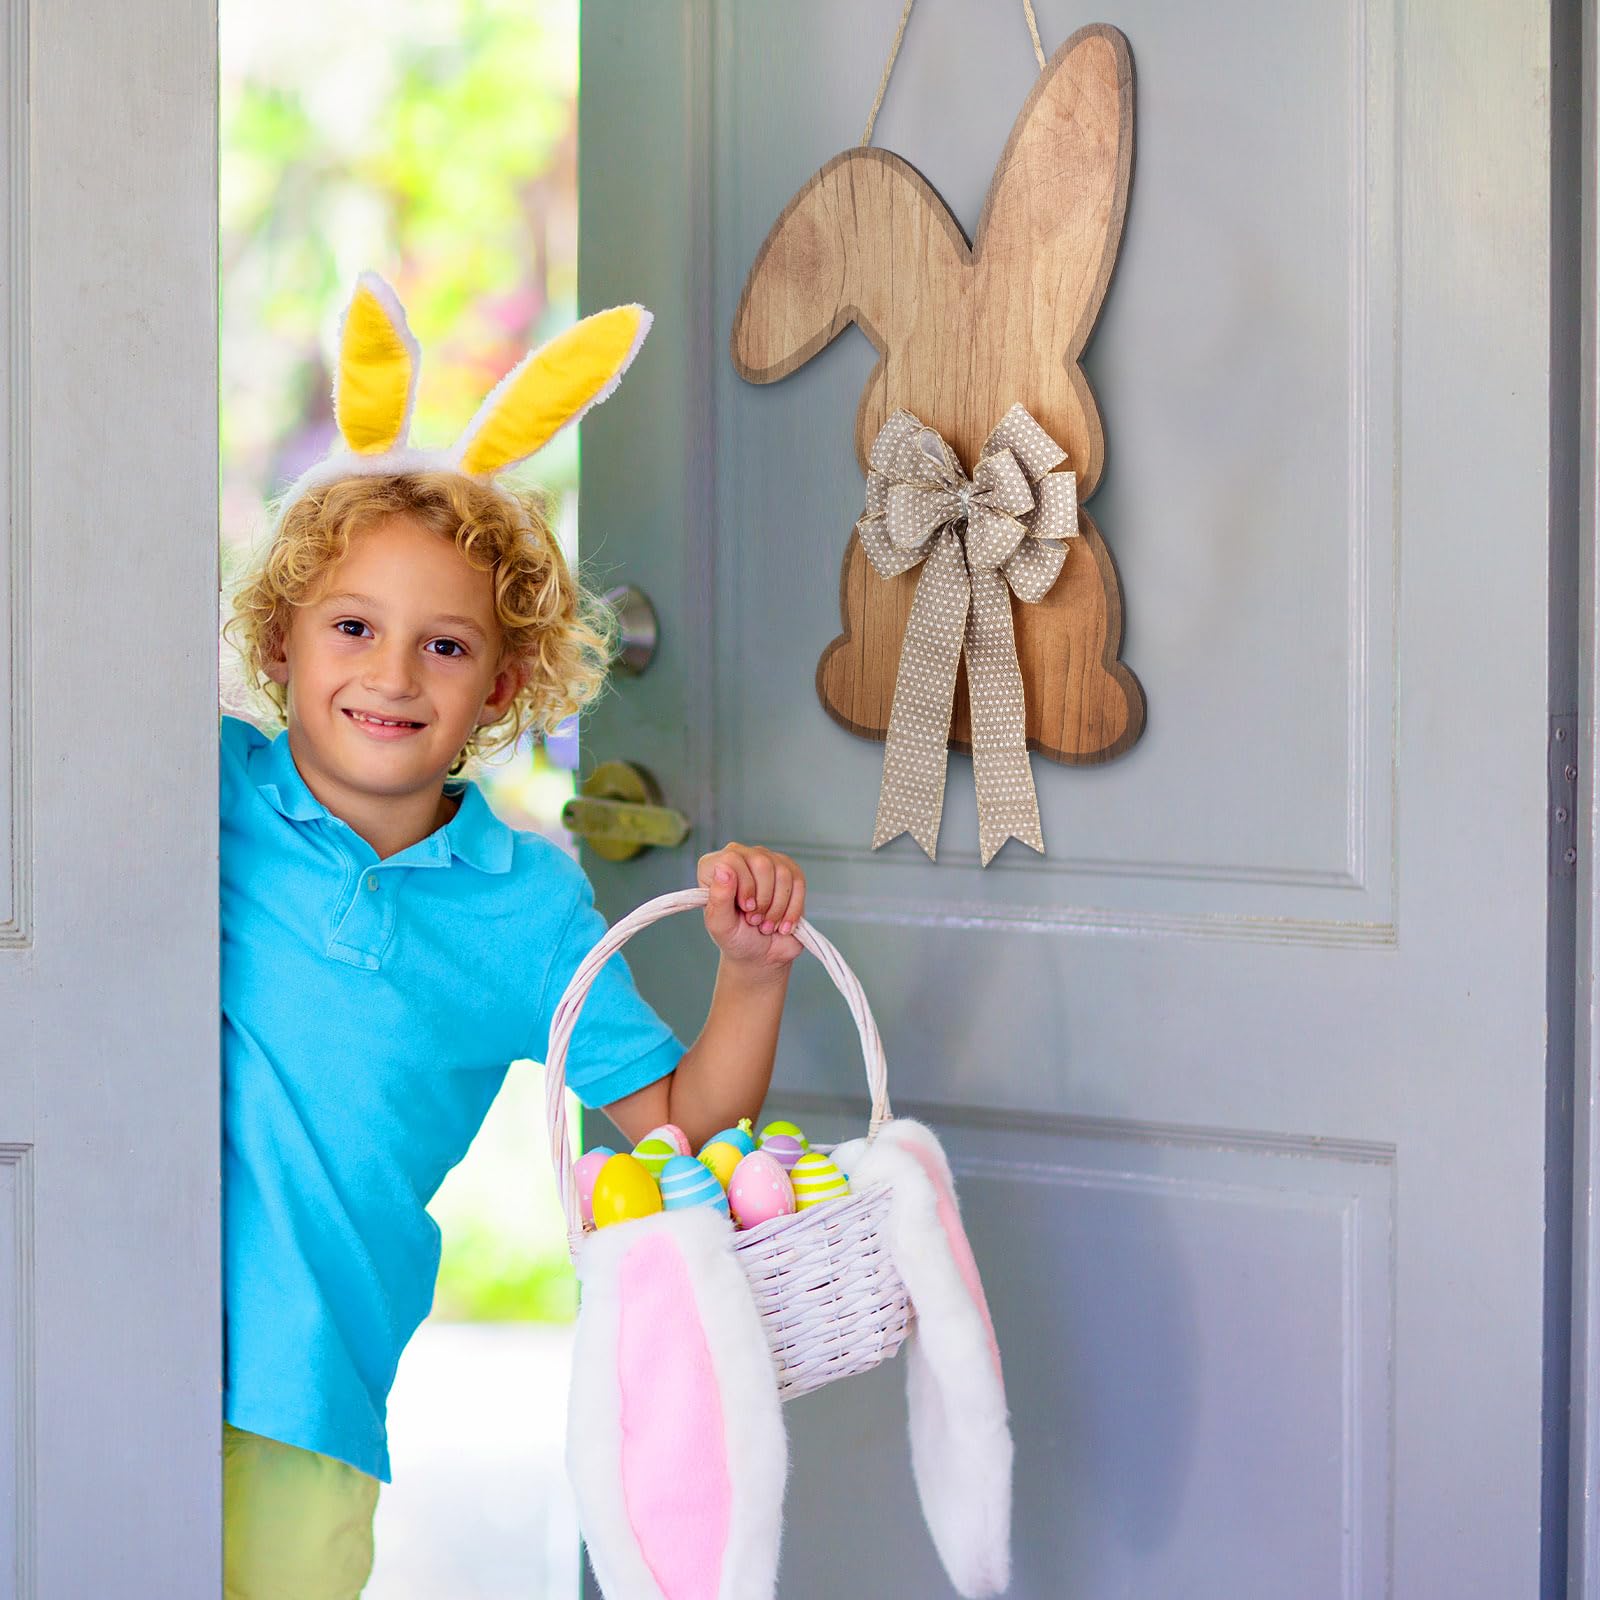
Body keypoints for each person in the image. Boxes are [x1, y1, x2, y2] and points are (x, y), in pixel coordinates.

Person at [217, 278, 806, 1598]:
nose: (392, 674)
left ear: (505, 684)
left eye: (445, 646)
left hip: (311, 1381)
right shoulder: (206, 792)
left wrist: (752, 973)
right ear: (282, 637)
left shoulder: (526, 906)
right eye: (354, 627)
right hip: (96, 1318)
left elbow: (676, 1126)